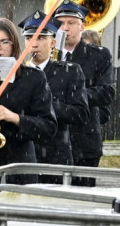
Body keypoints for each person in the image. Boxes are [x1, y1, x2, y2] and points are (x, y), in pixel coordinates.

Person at [0, 18, 56, 182]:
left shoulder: (33, 78)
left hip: (19, 168)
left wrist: (15, 117)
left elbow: (48, 127)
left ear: (14, 44)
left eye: (4, 41)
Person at [53, 0, 115, 187]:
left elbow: (107, 92)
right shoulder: (46, 54)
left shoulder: (99, 55)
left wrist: (74, 98)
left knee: (83, 199)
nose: (65, 28)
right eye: (60, 23)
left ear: (83, 25)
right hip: (51, 141)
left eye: (71, 23)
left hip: (85, 141)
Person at [20, 11, 89, 177]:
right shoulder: (17, 74)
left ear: (53, 42)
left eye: (40, 38)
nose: (34, 44)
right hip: (24, 156)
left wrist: (46, 103)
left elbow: (81, 114)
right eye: (29, 38)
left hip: (57, 156)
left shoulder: (69, 72)